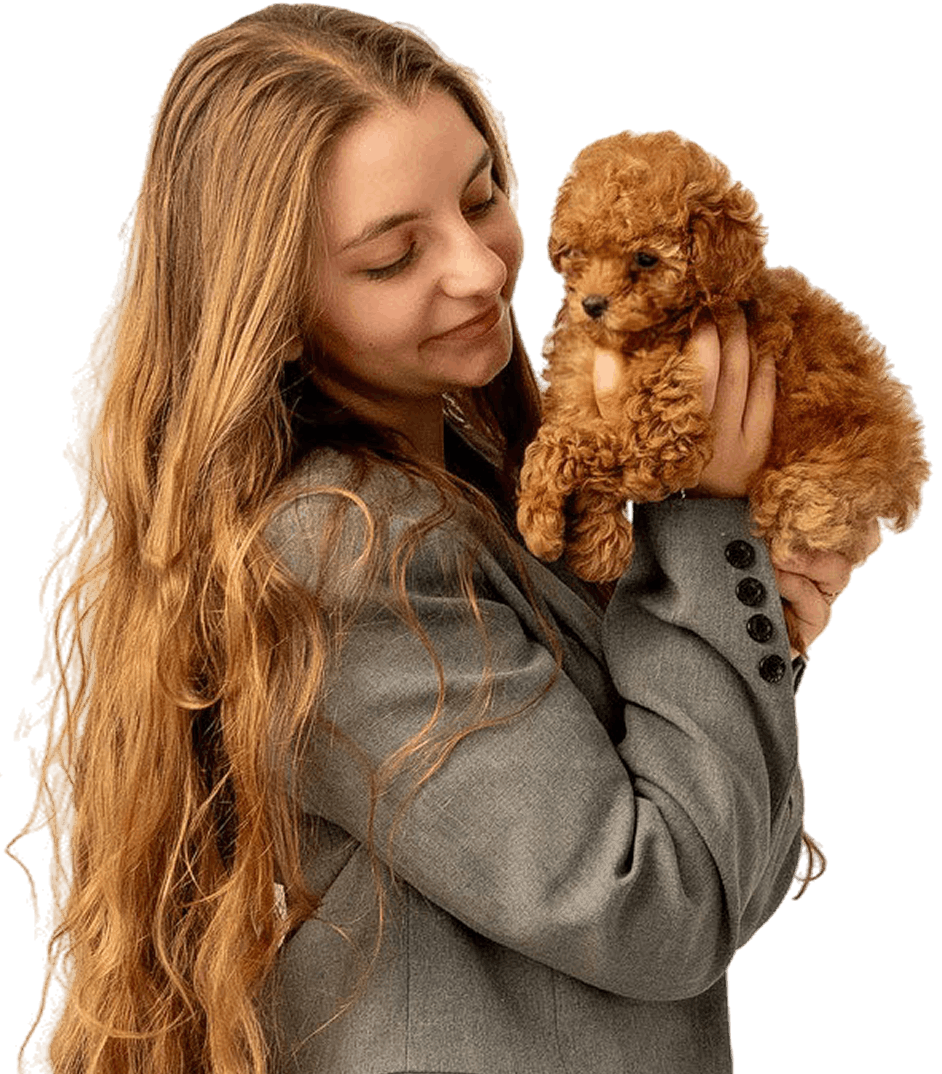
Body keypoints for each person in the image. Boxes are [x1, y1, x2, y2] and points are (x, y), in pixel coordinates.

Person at [40, 5, 864, 1073]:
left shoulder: (473, 489)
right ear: (274, 305)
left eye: (483, 198)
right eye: (393, 256)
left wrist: (746, 613)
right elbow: (664, 911)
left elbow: (724, 879)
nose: (481, 269)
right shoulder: (345, 549)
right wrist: (699, 509)